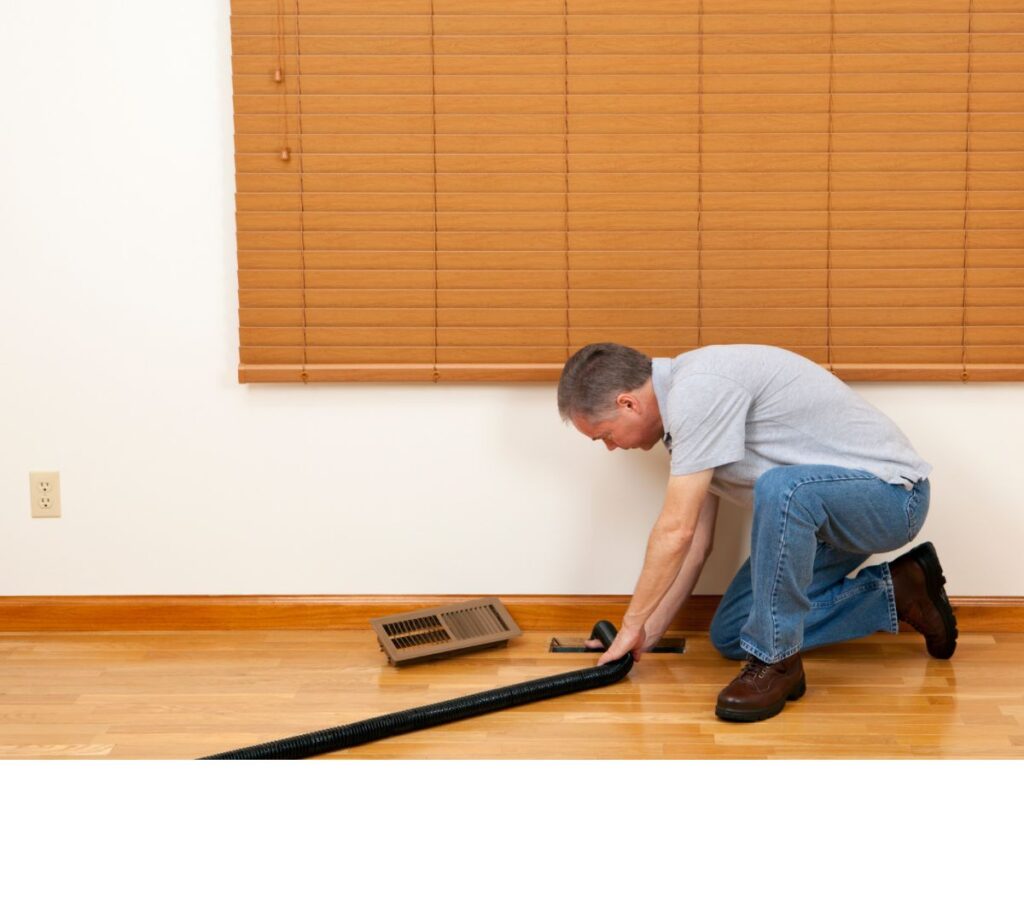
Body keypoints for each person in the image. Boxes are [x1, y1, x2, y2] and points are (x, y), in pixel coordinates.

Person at [557, 342, 957, 722]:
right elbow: (695, 541)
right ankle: (900, 589)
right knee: (735, 634)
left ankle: (778, 663)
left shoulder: (699, 391)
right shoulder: (684, 422)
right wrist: (646, 633)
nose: (610, 447)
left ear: (627, 403)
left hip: (890, 501)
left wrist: (627, 625)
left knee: (780, 487)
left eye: (605, 435)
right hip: (823, 523)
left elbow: (675, 530)